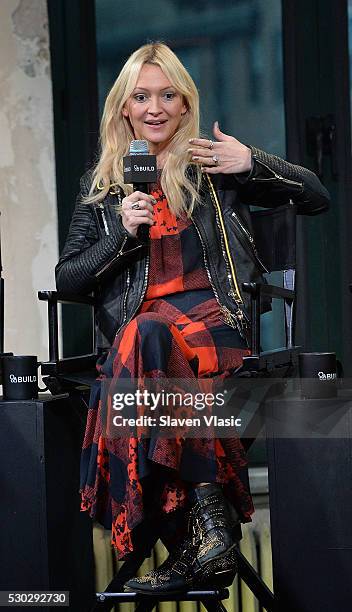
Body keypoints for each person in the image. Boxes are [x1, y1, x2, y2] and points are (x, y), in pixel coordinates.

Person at [55, 42, 330, 593]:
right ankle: (208, 537)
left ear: (185, 105)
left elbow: (316, 195)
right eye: (141, 96)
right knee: (148, 334)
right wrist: (119, 237)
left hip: (213, 334)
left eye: (167, 95)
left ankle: (192, 545)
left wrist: (253, 161)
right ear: (124, 108)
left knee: (144, 348)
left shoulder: (214, 168)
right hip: (146, 347)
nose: (154, 107)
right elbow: (69, 281)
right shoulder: (104, 190)